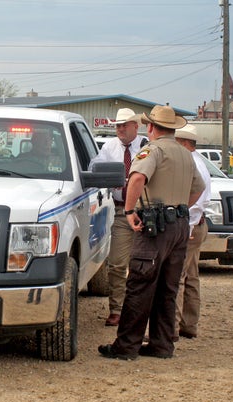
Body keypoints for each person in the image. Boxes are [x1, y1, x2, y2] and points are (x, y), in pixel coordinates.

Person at [98, 105, 205, 360]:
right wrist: (179, 208)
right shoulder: (185, 153)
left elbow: (136, 179)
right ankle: (162, 344)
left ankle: (126, 346)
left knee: (140, 284)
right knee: (168, 289)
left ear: (151, 128)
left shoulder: (152, 150)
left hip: (155, 225)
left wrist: (130, 211)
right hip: (178, 224)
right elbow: (198, 188)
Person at [88, 108, 148, 326]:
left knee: (145, 265)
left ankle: (140, 310)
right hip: (121, 210)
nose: (120, 129)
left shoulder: (147, 147)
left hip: (145, 210)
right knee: (117, 264)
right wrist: (106, 176)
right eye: (118, 125)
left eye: (124, 125)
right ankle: (117, 309)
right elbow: (93, 166)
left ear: (136, 126)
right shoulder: (109, 147)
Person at [173, 124, 212, 339]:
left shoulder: (191, 164)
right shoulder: (199, 162)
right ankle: (188, 323)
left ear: (184, 143)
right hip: (198, 224)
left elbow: (195, 201)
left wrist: (185, 226)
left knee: (178, 276)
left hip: (191, 224)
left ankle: (171, 327)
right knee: (191, 276)